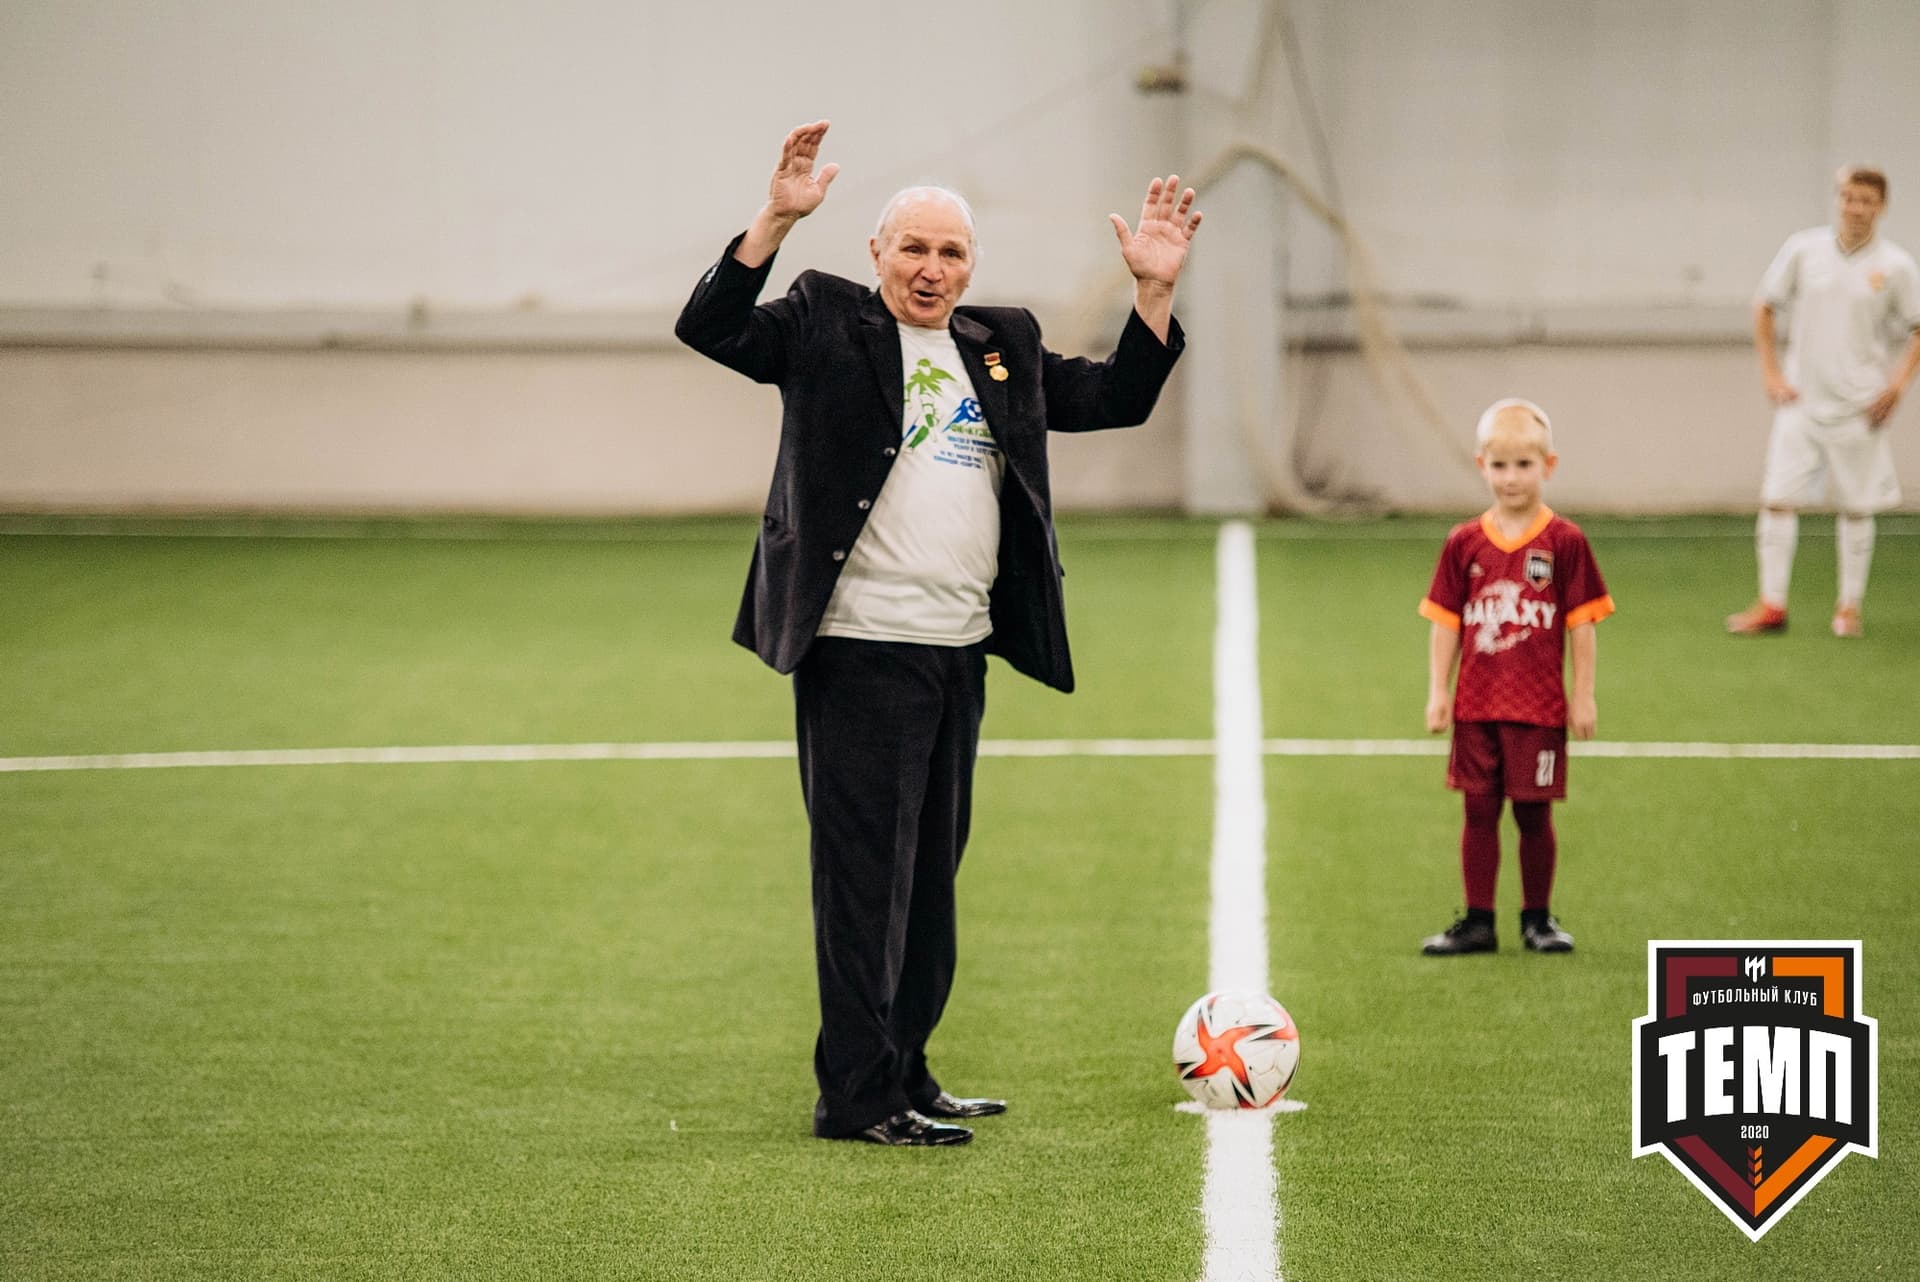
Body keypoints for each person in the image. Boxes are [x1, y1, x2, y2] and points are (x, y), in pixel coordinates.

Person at [675, 121, 1199, 1145]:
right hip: (861, 646)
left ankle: (907, 1069)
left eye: (951, 251)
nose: (931, 267)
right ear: (877, 255)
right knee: (864, 881)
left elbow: (1118, 397)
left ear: (972, 266)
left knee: (926, 878)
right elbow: (712, 329)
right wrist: (774, 219)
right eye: (912, 248)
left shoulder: (999, 346)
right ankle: (857, 1097)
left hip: (957, 652)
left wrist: (1154, 291)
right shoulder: (826, 323)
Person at [1416, 400, 1615, 956]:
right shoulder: (1464, 543)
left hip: (1538, 708)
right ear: (1482, 465)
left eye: (1524, 465)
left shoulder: (1565, 542)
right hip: (1476, 706)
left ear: (1548, 465)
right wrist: (1438, 692)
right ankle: (1478, 920)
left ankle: (1538, 920)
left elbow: (1582, 625)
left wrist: (1583, 696)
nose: (1511, 478)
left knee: (1533, 812)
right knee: (1478, 810)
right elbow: (1446, 623)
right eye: (1499, 466)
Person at [1726, 166, 1920, 638]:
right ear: (1838, 200)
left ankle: (1848, 608)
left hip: (1860, 407)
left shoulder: (1895, 266)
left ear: (1882, 206)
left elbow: (1917, 327)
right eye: (1848, 198)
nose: (1855, 208)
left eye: (1866, 200)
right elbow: (1765, 305)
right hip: (1802, 402)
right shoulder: (1803, 249)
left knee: (1856, 507)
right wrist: (1772, 374)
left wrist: (1895, 386)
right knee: (1776, 500)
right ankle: (1772, 605)